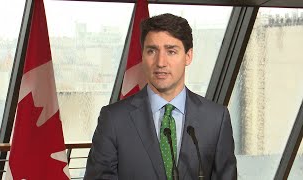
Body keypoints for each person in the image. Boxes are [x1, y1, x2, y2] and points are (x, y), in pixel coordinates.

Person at [84, 13, 237, 180]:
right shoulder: (113, 119)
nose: (161, 62)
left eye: (171, 51)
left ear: (188, 56)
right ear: (142, 56)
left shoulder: (216, 118)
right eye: (152, 51)